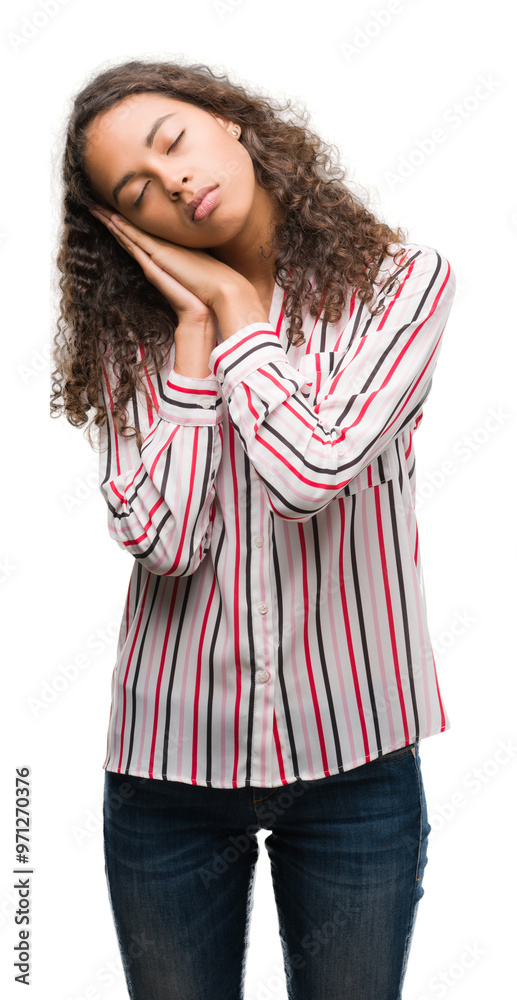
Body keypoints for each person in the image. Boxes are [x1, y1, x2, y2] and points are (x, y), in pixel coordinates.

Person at [51, 57, 456, 1000]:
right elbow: (165, 542)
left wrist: (237, 310)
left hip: (357, 762)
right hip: (167, 777)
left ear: (232, 123)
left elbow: (307, 473)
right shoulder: (131, 338)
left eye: (172, 141)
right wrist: (193, 347)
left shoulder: (398, 286)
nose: (174, 182)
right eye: (136, 190)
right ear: (126, 228)